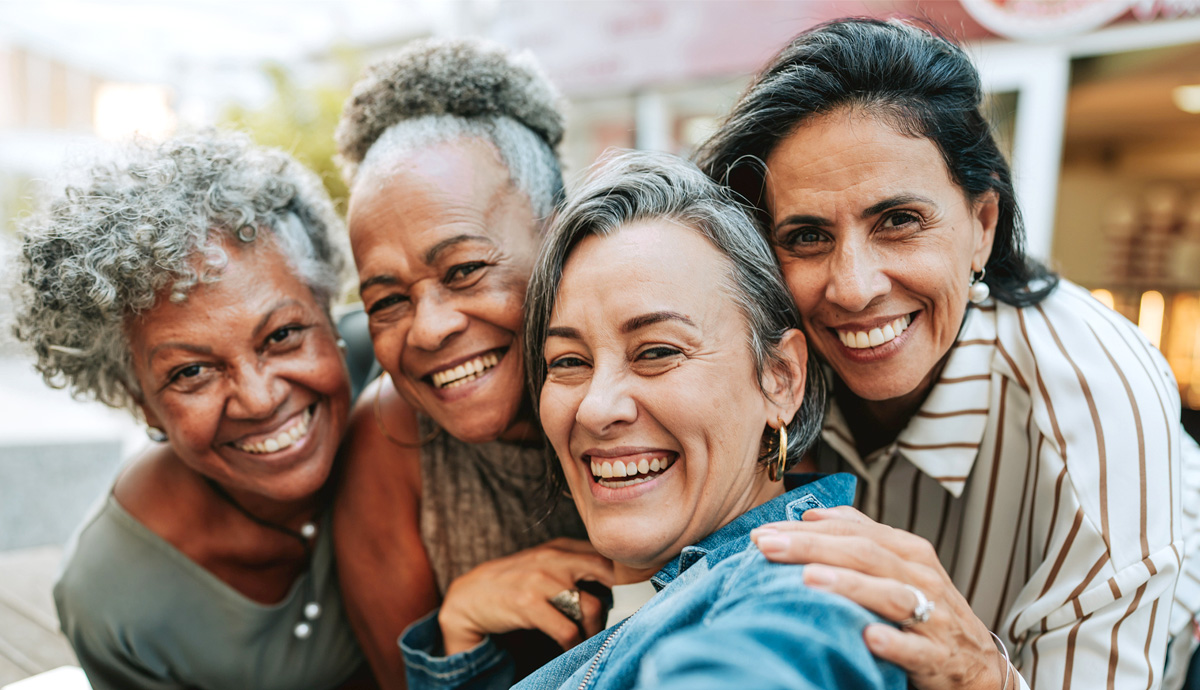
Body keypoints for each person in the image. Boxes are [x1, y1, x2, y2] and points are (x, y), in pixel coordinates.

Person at [697, 17, 1200, 689]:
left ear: (982, 227)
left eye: (898, 222)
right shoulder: (775, 359)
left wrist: (982, 675)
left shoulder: (1093, 398)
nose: (852, 287)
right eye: (808, 236)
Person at [398, 149, 904, 690]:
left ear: (780, 378)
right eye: (568, 362)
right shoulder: (606, 610)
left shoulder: (802, 593)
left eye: (657, 352)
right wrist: (460, 644)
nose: (596, 407)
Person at [10, 132, 367, 689]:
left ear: (328, 310)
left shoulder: (410, 373)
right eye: (191, 372)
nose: (260, 397)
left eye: (283, 334)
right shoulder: (113, 600)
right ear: (140, 404)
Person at [331, 38, 607, 686]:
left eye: (464, 269)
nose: (429, 328)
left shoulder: (669, 375)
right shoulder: (390, 442)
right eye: (387, 300)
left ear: (561, 234)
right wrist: (459, 625)